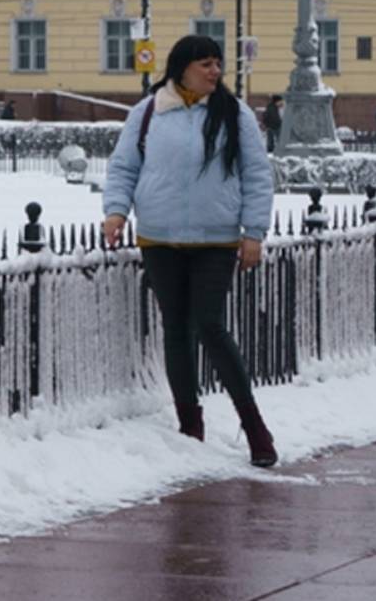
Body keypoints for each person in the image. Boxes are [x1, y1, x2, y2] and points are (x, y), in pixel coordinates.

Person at [103, 35, 277, 467]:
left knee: (210, 326)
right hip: (159, 238)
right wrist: (116, 212)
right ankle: (189, 422)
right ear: (182, 68)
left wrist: (253, 232)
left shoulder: (234, 115)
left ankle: (254, 426)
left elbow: (257, 175)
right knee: (176, 331)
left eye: (218, 63)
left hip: (215, 239)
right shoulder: (148, 112)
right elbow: (124, 166)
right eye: (206, 64)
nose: (215, 71)